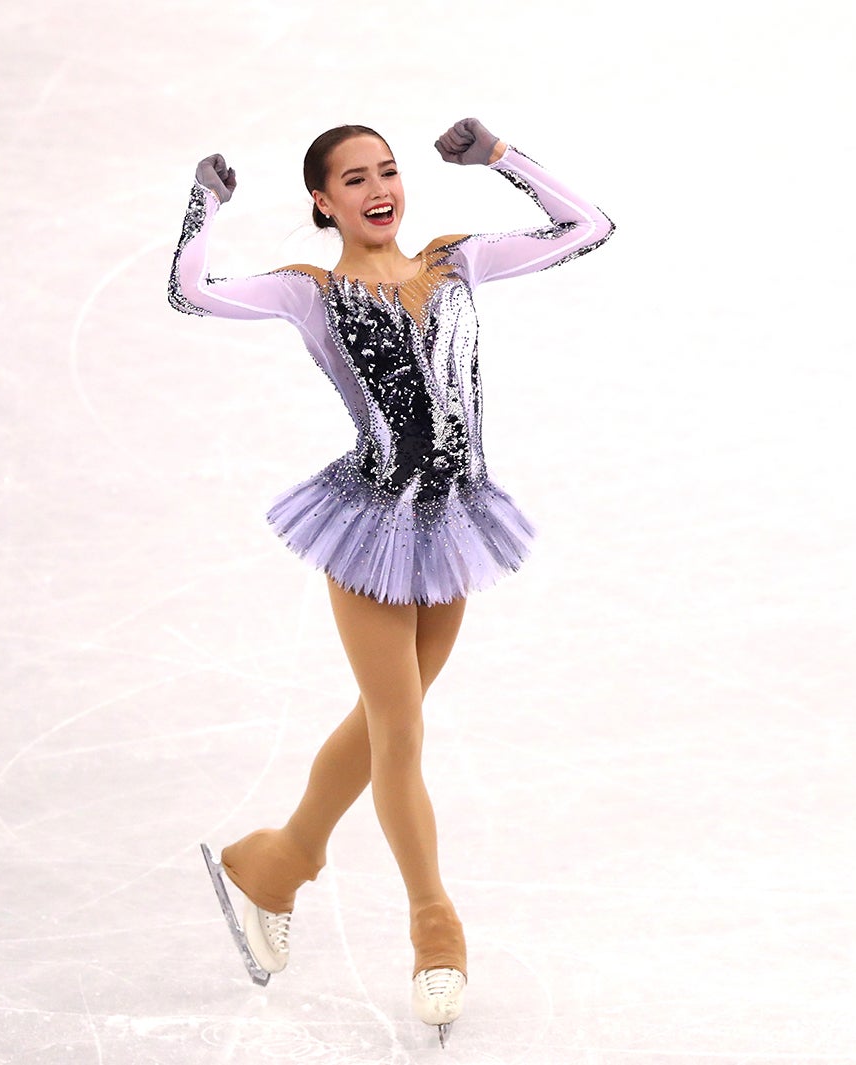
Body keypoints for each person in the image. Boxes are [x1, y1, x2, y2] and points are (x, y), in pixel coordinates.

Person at [167, 116, 614, 1046]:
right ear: (323, 202)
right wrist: (204, 204)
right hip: (371, 526)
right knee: (402, 727)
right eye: (353, 178)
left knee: (384, 719)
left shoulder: (457, 261)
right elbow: (190, 292)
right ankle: (434, 927)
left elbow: (588, 227)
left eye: (388, 171)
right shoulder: (310, 294)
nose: (379, 188)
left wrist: (502, 159)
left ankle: (277, 860)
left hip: (454, 524)